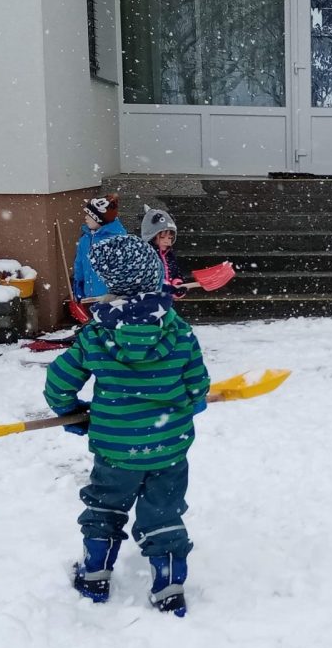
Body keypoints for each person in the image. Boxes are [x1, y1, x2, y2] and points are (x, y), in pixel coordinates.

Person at [44, 233, 211, 614]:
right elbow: (197, 385)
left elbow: (59, 381)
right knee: (163, 513)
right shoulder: (179, 331)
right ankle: (169, 587)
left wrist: (70, 410)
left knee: (105, 507)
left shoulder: (96, 334)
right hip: (168, 448)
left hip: (115, 449)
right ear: (154, 278)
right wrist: (189, 403)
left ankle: (95, 575)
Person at [71, 194, 127, 302]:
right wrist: (78, 281)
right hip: (89, 296)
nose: (86, 217)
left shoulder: (117, 240)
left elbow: (123, 270)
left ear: (100, 219)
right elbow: (79, 263)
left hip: (109, 299)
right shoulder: (85, 239)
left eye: (90, 215)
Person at [139, 206, 186, 295]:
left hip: (166, 298)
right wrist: (163, 285)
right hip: (150, 299)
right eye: (162, 237)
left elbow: (176, 272)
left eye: (170, 238)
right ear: (152, 237)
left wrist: (177, 282)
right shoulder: (146, 256)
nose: (167, 241)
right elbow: (146, 278)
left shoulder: (169, 255)